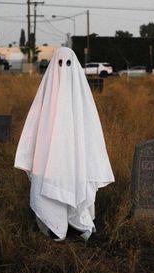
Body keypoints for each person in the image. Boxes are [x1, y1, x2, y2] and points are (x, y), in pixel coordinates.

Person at [14, 47, 114, 240]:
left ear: (74, 66)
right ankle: (54, 225)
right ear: (53, 66)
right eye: (60, 63)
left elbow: (90, 131)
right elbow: (34, 126)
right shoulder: (46, 94)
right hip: (48, 156)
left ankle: (75, 223)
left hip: (75, 156)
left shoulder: (82, 97)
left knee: (75, 180)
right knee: (49, 183)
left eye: (67, 64)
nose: (63, 68)